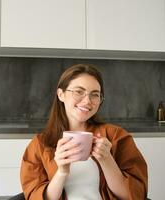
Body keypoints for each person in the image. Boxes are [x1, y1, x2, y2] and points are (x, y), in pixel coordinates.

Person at [20, 64, 148, 200]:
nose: (87, 101)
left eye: (95, 94)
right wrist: (62, 172)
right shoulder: (39, 145)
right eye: (78, 92)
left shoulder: (116, 136)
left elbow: (135, 195)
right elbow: (35, 196)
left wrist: (106, 160)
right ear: (61, 94)